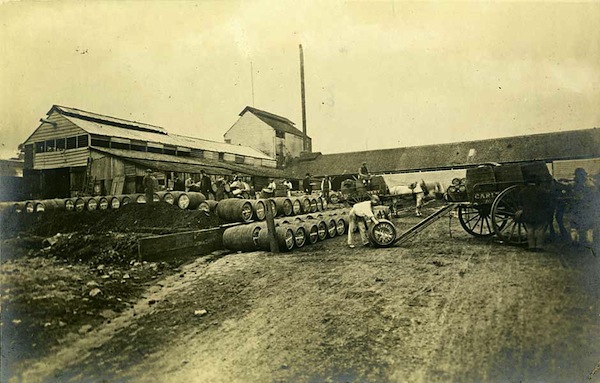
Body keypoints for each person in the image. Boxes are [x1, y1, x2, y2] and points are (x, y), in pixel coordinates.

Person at [517, 175, 554, 251]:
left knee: (530, 229)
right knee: (540, 229)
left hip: (527, 214)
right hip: (539, 214)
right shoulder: (541, 191)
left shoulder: (523, 191)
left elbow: (520, 203)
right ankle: (539, 246)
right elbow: (547, 203)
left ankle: (531, 246)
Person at [569, 168, 597, 246]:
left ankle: (588, 243)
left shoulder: (589, 184)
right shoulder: (575, 184)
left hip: (585, 208)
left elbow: (593, 196)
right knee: (576, 226)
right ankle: (576, 242)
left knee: (587, 226)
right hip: (578, 208)